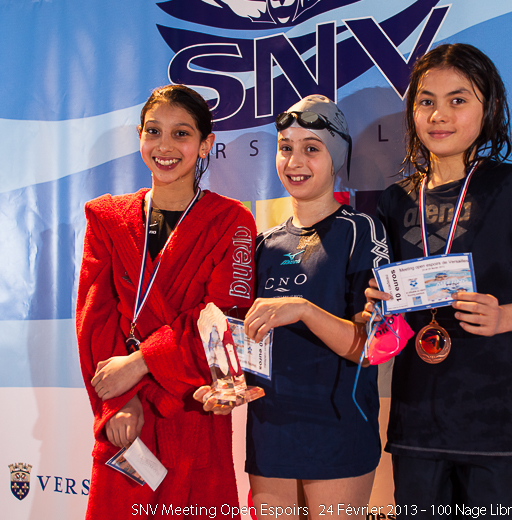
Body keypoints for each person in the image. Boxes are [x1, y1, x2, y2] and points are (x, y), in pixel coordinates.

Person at [364, 44, 512, 518]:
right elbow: (384, 311)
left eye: (457, 100)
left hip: (499, 425)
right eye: (426, 101)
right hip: (417, 425)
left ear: (489, 108)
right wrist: (377, 306)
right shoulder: (394, 200)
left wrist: (504, 317)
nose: (439, 115)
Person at [200, 95, 390, 519]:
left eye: (311, 148)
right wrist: (224, 383)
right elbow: (245, 342)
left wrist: (303, 309)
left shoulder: (361, 231)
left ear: (337, 157)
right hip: (270, 433)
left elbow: (373, 347)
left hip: (338, 432)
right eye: (285, 147)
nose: (295, 161)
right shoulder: (263, 245)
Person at [76, 84, 256, 519]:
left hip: (192, 408)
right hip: (128, 417)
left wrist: (141, 363)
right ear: (139, 136)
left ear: (205, 144)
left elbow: (222, 321)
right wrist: (118, 403)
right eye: (154, 131)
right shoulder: (108, 219)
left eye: (182, 133)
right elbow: (95, 317)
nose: (165, 146)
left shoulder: (232, 221)